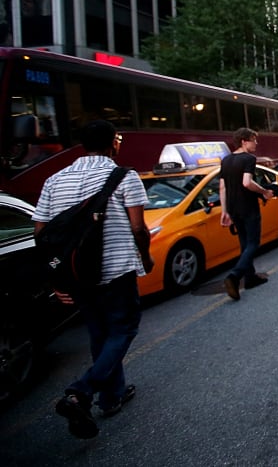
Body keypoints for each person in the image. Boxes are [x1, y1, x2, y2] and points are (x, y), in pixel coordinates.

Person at [32, 120, 152, 438]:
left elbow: (41, 235)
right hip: (115, 270)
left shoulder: (54, 180)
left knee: (100, 334)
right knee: (124, 328)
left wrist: (56, 280)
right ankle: (81, 392)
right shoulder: (125, 176)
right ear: (113, 142)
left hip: (75, 273)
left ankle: (112, 395)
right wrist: (146, 255)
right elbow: (139, 227)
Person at [220, 127, 274, 301]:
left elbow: (222, 187)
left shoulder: (226, 160)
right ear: (244, 141)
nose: (256, 143)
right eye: (254, 140)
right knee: (253, 243)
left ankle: (249, 278)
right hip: (248, 206)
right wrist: (264, 191)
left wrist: (224, 210)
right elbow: (247, 182)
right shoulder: (249, 159)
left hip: (233, 207)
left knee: (244, 242)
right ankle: (235, 276)